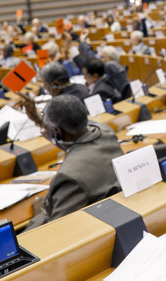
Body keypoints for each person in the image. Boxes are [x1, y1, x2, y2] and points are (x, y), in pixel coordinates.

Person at [22, 94, 122, 230]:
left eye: (46, 128)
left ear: (57, 132)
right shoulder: (105, 131)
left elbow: (55, 230)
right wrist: (39, 120)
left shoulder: (69, 177)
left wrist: (41, 212)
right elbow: (71, 135)